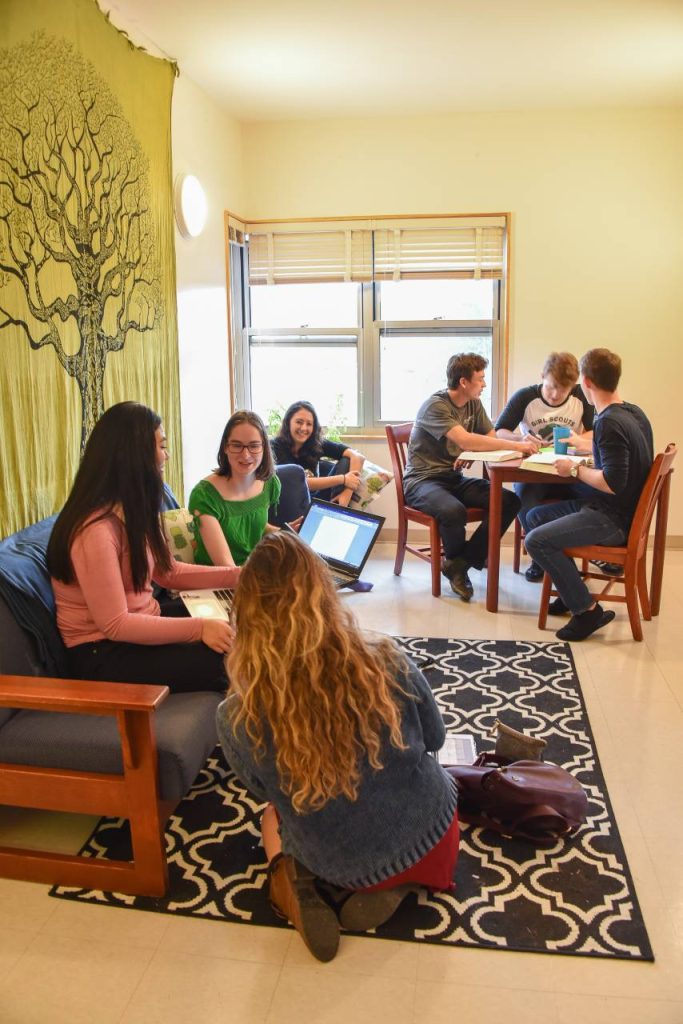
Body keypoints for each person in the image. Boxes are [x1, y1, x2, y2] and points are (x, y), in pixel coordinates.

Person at [216, 532, 459, 962]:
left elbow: (265, 792)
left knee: (273, 816)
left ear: (247, 614)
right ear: (324, 593)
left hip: (344, 866)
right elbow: (436, 738)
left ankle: (290, 882)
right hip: (436, 834)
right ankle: (402, 883)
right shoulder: (386, 657)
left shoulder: (238, 715)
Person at [48, 402, 239, 693]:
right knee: (234, 659)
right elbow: (116, 624)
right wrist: (200, 628)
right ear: (133, 455)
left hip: (142, 624)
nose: (166, 455)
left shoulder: (134, 509)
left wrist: (238, 575)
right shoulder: (94, 530)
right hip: (102, 652)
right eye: (161, 446)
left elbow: (169, 573)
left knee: (244, 625)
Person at [525, 348, 653, 641]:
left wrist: (574, 469)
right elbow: (624, 466)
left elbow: (612, 483)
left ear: (586, 382)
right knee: (534, 517)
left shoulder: (608, 422)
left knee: (536, 540)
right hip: (619, 510)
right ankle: (570, 591)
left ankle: (587, 612)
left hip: (614, 519)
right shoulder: (634, 412)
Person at [403, 352, 539, 601]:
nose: (484, 384)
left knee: (509, 501)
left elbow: (490, 437)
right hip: (421, 481)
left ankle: (459, 564)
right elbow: (465, 439)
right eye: (480, 379)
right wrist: (515, 446)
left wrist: (475, 451)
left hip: (452, 478)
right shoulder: (435, 406)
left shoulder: (473, 404)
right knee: (453, 511)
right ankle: (459, 568)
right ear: (463, 382)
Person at [495, 351, 595, 581]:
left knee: (597, 497)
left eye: (563, 389)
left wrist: (578, 439)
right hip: (535, 474)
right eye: (551, 387)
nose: (556, 395)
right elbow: (500, 431)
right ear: (542, 377)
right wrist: (520, 439)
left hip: (570, 472)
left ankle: (584, 552)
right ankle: (541, 557)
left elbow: (594, 432)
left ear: (574, 385)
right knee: (524, 499)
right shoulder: (525, 397)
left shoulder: (582, 397)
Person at [189, 411, 281, 567]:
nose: (245, 455)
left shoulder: (270, 483)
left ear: (264, 447)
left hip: (253, 569)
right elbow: (227, 568)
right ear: (226, 447)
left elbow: (253, 524)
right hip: (219, 577)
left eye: (254, 446)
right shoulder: (204, 495)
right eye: (237, 445)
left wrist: (285, 533)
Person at [271, 400, 365, 507]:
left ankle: (339, 507)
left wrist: (347, 492)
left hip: (314, 500)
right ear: (288, 422)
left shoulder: (316, 443)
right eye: (299, 422)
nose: (304, 428)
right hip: (288, 503)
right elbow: (298, 482)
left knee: (346, 460)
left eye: (309, 424)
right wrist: (343, 479)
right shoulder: (275, 446)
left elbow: (358, 457)